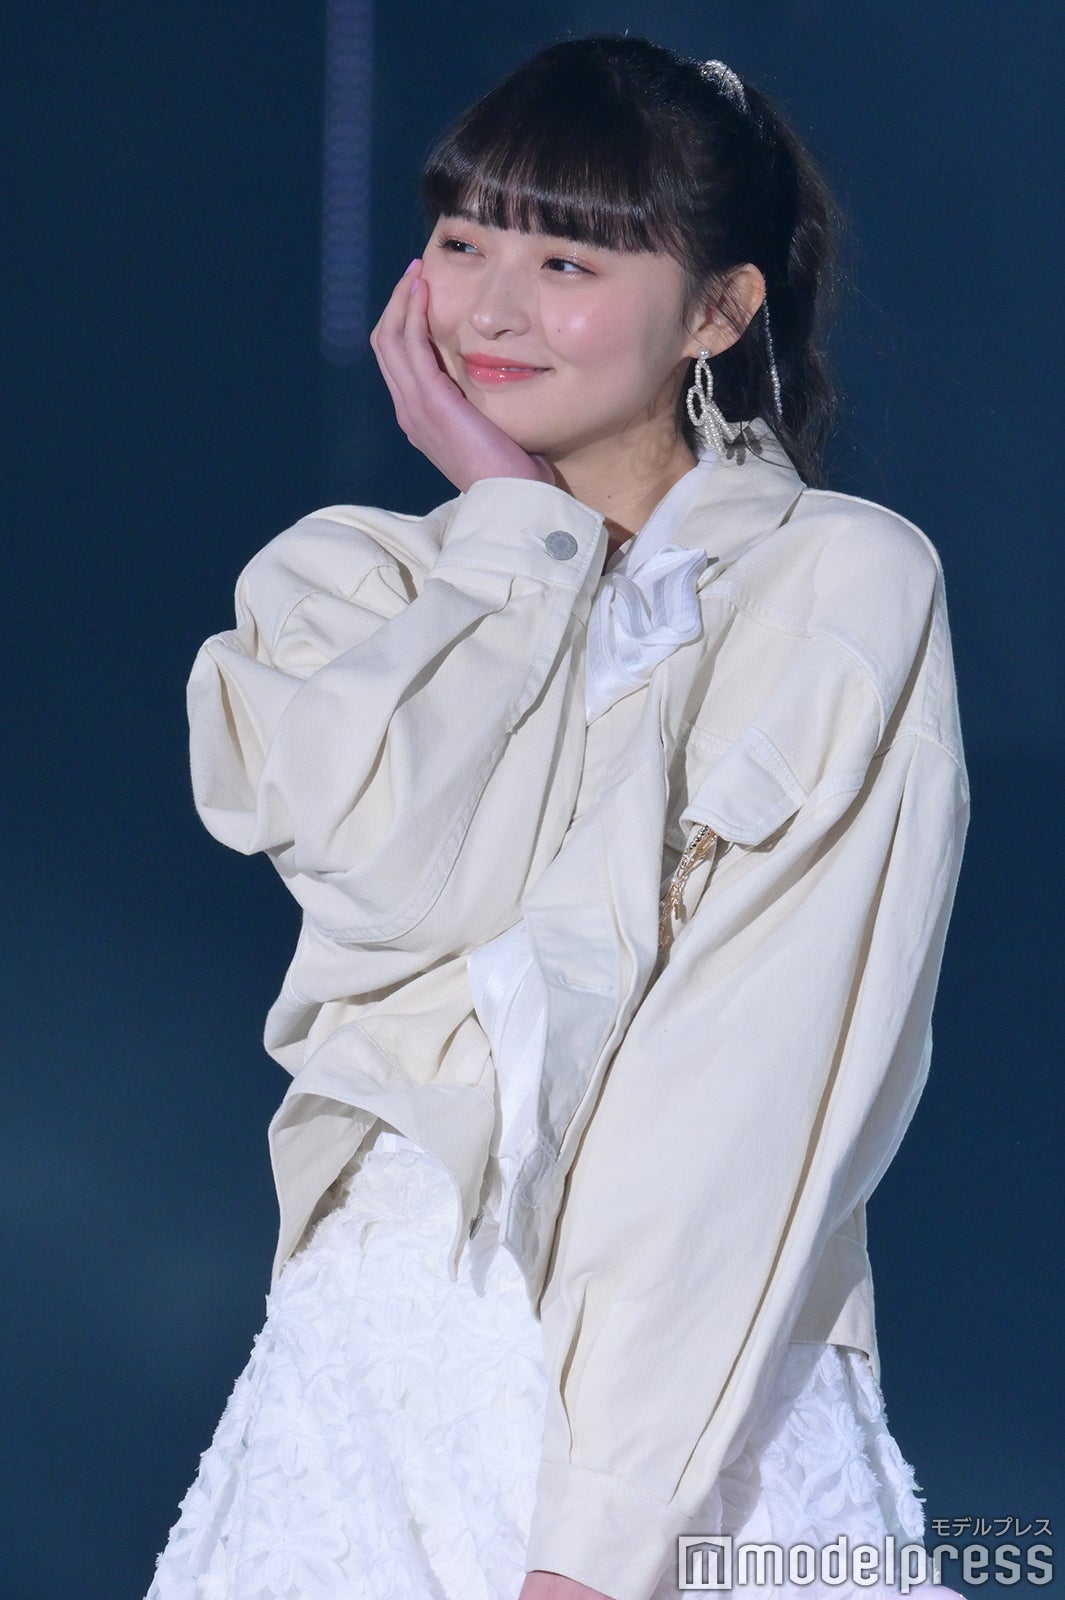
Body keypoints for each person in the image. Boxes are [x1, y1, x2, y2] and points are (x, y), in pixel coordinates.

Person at [145, 35, 969, 1600]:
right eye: (462, 244)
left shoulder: (836, 582)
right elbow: (404, 887)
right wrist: (514, 531)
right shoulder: (347, 585)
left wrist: (596, 1538)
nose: (492, 307)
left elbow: (750, 1079)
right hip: (370, 1366)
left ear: (717, 310)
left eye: (567, 260)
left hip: (687, 1410)